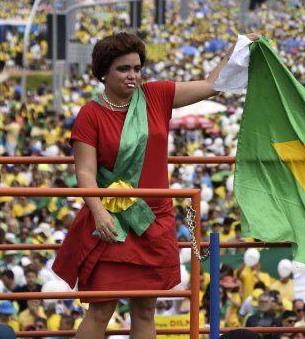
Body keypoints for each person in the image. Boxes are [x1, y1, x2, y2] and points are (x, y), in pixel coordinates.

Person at [51, 31, 257, 339]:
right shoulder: (90, 115)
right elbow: (85, 171)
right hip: (111, 223)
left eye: (137, 68)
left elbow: (210, 86)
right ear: (103, 72)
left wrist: (234, 51)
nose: (132, 75)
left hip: (152, 220)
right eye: (123, 69)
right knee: (101, 310)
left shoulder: (156, 95)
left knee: (146, 309)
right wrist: (98, 211)